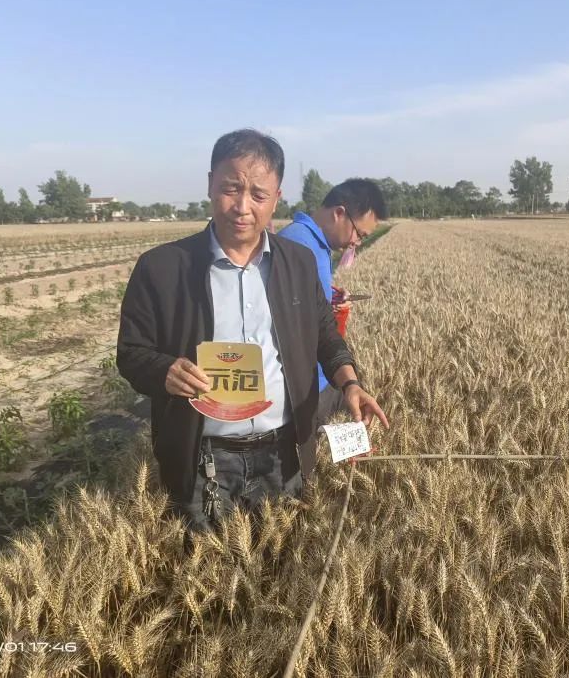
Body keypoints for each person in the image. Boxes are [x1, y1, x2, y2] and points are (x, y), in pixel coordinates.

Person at [117, 129, 388, 535]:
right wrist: (164, 371)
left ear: (276, 199)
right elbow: (131, 353)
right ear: (210, 183)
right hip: (202, 459)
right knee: (208, 577)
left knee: (280, 571)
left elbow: (325, 335)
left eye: (258, 195)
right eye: (231, 188)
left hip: (284, 453)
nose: (242, 207)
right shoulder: (161, 268)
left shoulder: (296, 264)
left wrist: (349, 383)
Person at [278, 179, 388, 425]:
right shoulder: (297, 245)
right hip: (307, 383)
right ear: (340, 213)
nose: (356, 243)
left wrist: (330, 297)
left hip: (323, 374)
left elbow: (305, 300)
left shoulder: (312, 242)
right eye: (359, 234)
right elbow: (289, 320)